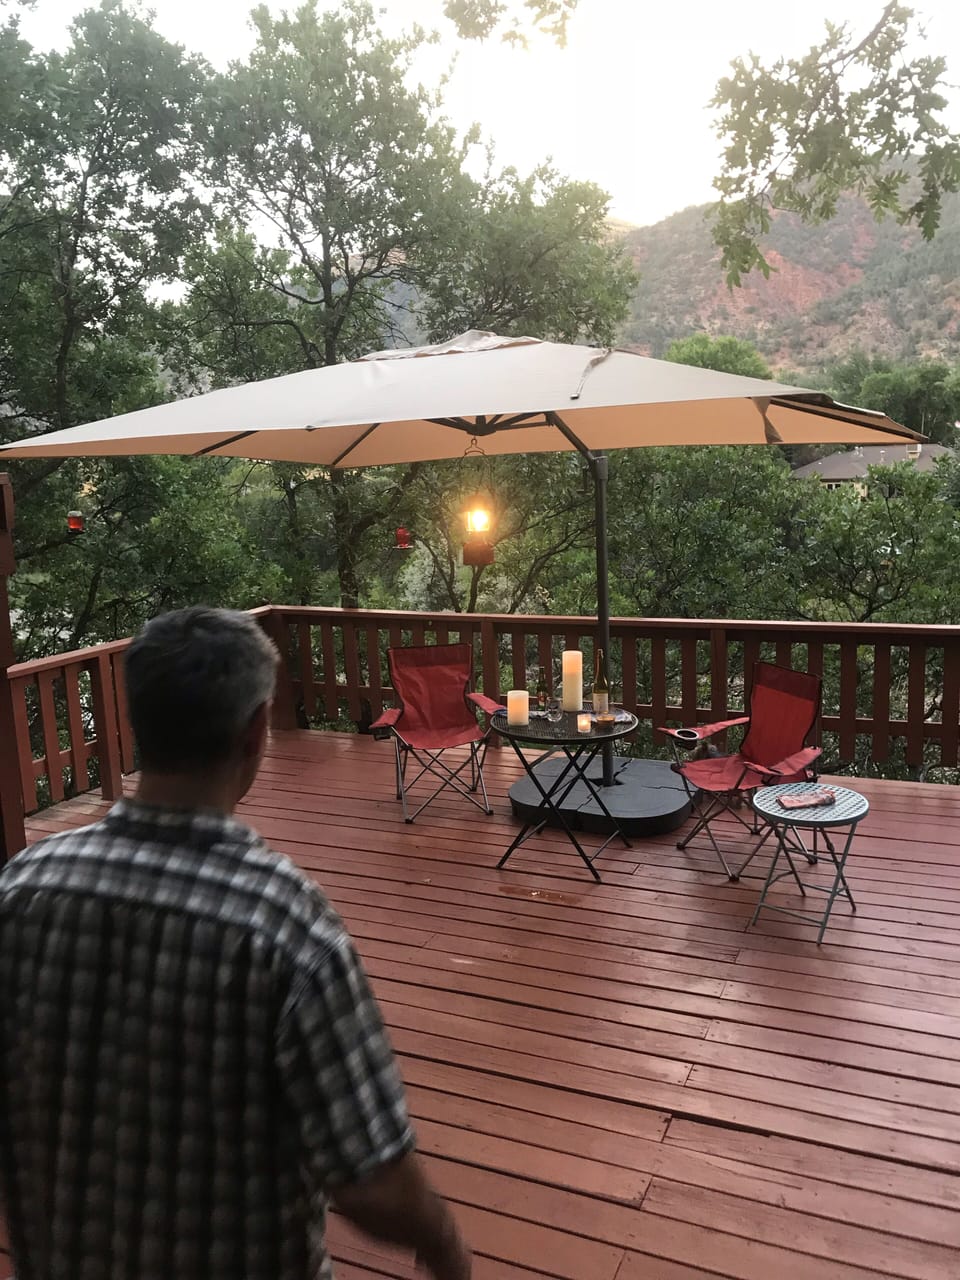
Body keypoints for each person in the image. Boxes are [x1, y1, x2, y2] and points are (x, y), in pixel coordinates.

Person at [0, 606, 471, 1280]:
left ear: (138, 723)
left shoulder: (20, 890)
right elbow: (371, 1182)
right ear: (255, 733)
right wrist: (444, 1240)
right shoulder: (287, 930)